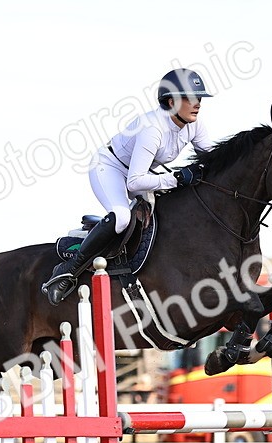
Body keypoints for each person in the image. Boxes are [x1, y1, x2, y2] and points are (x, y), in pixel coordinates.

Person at [42, 68, 216, 305]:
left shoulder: (194, 125)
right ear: (171, 101)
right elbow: (135, 181)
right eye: (190, 98)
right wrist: (176, 178)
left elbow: (211, 161)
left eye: (199, 98)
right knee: (122, 217)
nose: (197, 104)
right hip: (110, 167)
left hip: (140, 171)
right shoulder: (153, 128)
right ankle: (67, 271)